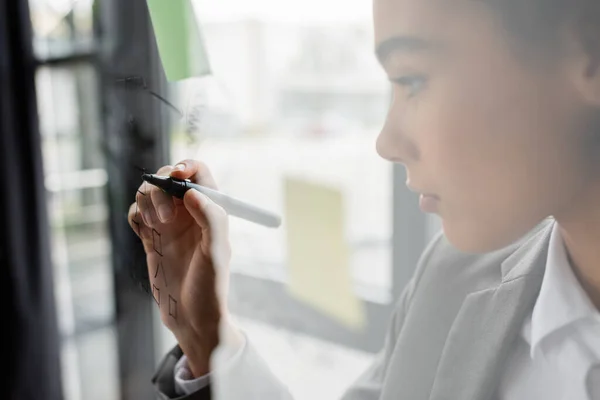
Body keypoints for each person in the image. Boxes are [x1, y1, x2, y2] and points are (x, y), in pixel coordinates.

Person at [128, 0, 600, 398]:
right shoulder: (451, 277)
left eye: (412, 79)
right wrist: (206, 337)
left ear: (588, 53)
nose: (386, 143)